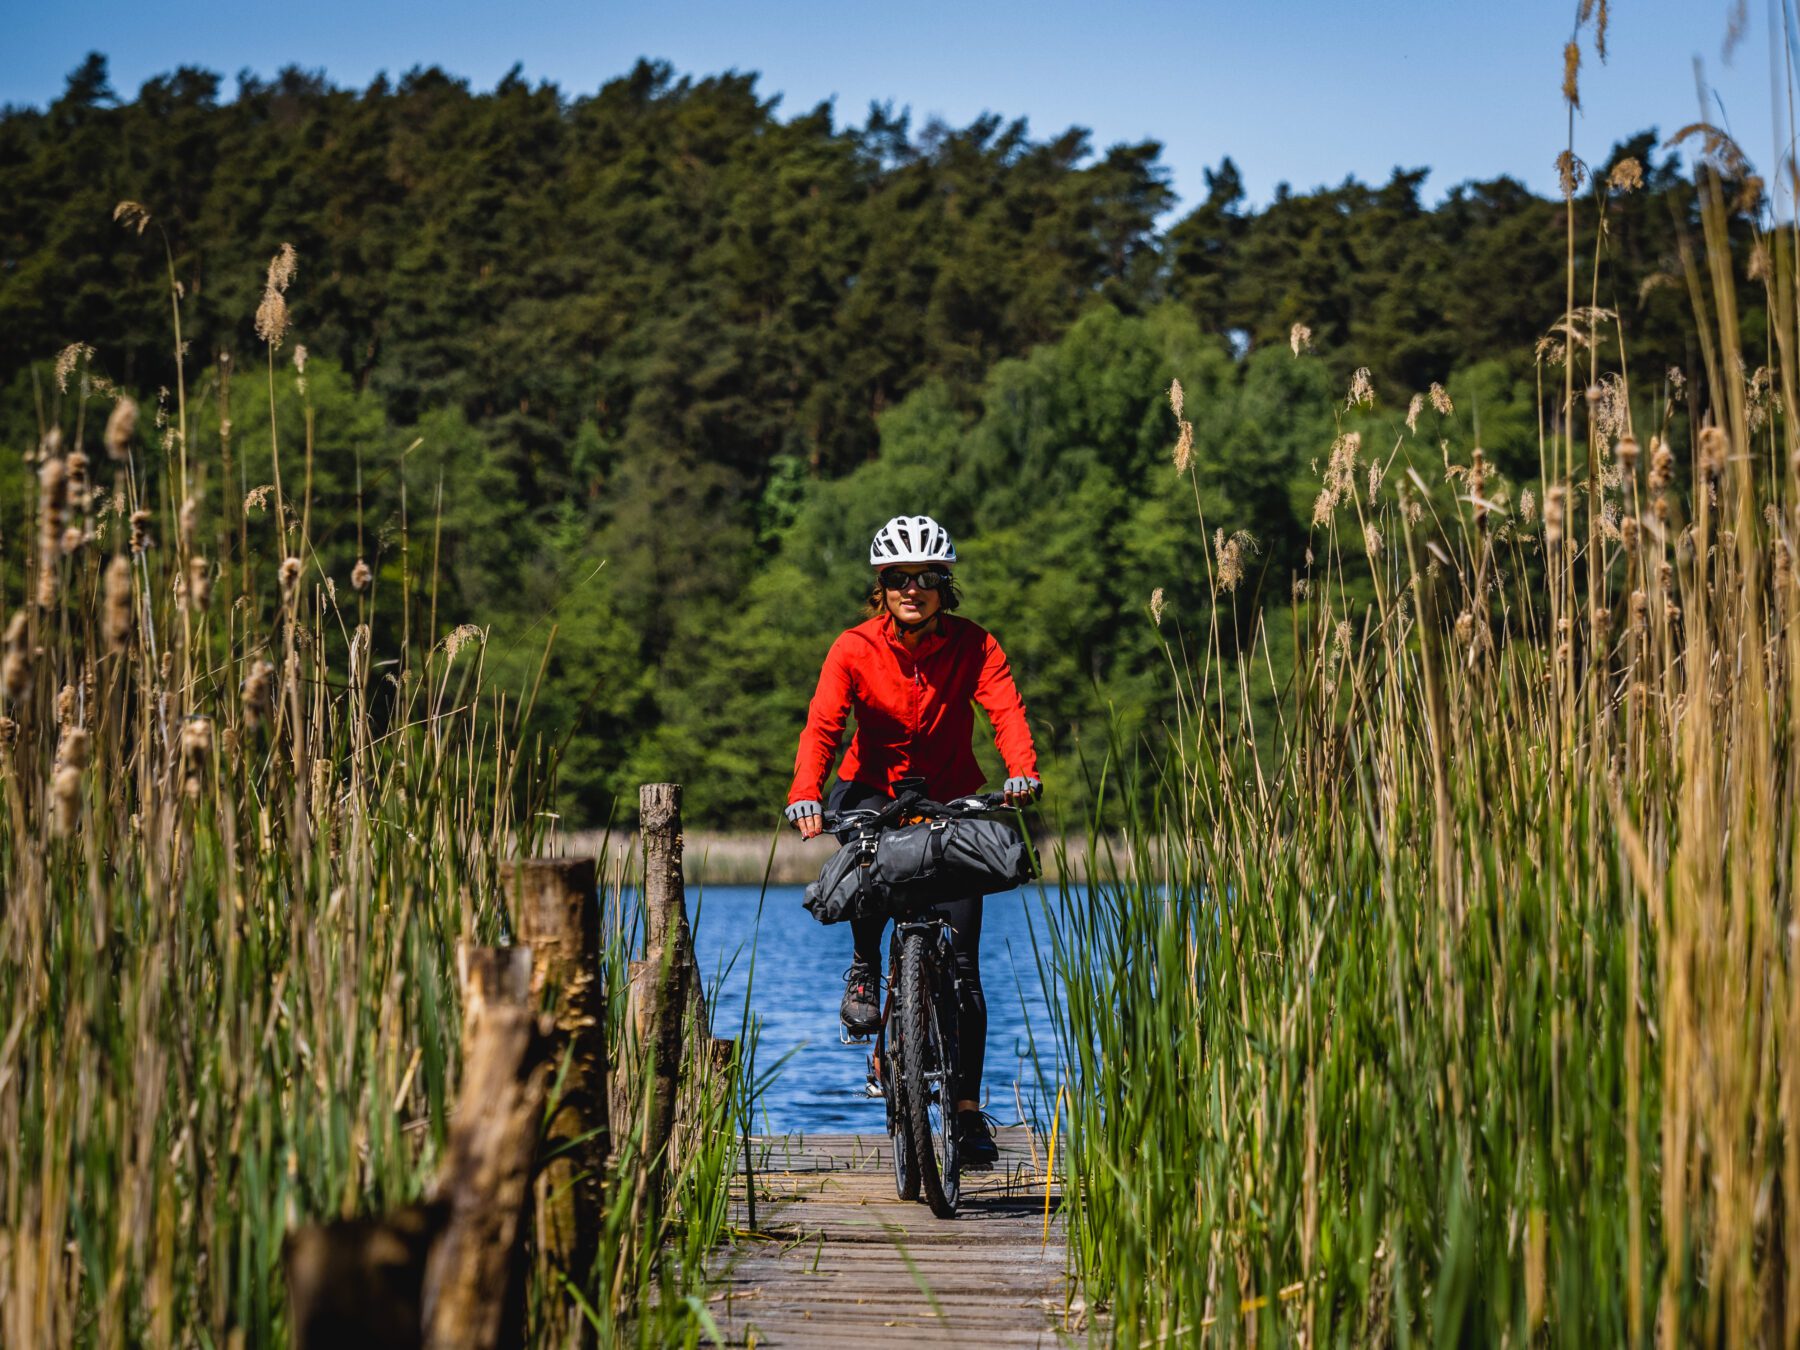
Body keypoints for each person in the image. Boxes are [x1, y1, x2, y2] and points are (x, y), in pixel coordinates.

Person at [785, 514, 1040, 1166]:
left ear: (943, 586)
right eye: (900, 578)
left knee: (962, 965)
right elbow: (822, 726)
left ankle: (965, 1109)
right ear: (883, 586)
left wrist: (1021, 772)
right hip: (871, 789)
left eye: (926, 578)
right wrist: (805, 790)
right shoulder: (854, 647)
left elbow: (1005, 709)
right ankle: (868, 971)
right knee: (867, 861)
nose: (913, 588)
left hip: (950, 796)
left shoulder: (976, 645)